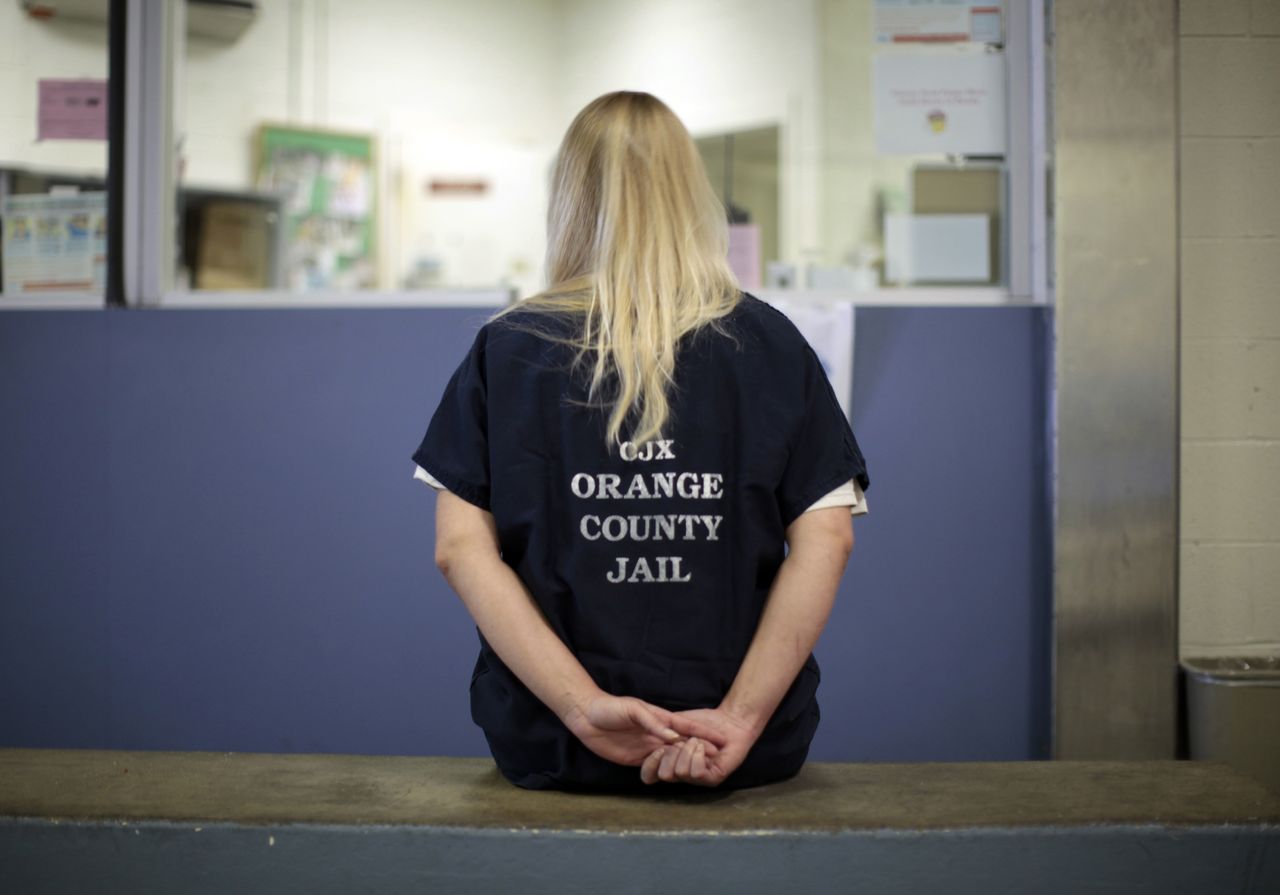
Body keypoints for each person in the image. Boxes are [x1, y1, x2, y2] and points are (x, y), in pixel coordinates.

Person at [412, 91, 869, 791]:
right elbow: (828, 539)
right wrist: (739, 721)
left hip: (557, 744)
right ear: (693, 193)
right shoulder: (774, 344)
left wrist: (585, 710)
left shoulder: (506, 350)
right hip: (745, 747)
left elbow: (459, 548)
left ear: (568, 197)